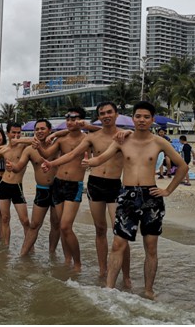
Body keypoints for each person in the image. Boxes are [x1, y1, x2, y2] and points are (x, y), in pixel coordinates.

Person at [82, 101, 188, 299]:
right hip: (128, 196)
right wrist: (89, 162)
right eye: (138, 116)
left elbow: (182, 166)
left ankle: (148, 291)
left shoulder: (159, 142)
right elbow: (102, 157)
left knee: (151, 246)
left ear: (152, 120)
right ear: (133, 119)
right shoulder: (122, 140)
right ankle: (109, 290)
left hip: (151, 197)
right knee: (117, 244)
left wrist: (168, 191)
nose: (142, 120)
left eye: (146, 117)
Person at [42, 102, 131, 285]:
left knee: (120, 233)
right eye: (102, 113)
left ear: (116, 114)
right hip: (95, 185)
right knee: (100, 229)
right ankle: (102, 270)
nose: (106, 115)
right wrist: (52, 163)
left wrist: (129, 132)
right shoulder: (92, 137)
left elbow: (143, 138)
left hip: (115, 185)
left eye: (109, 112)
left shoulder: (124, 136)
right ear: (98, 117)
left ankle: (127, 275)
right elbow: (72, 154)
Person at [34, 107, 87, 272]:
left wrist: (57, 133)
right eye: (68, 119)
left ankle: (77, 263)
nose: (71, 122)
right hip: (58, 184)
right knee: (62, 227)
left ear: (82, 120)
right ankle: (67, 259)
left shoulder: (87, 139)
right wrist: (38, 146)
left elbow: (102, 134)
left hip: (74, 186)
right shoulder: (62, 139)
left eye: (74, 118)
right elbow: (47, 152)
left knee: (65, 226)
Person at [7, 119, 61, 256]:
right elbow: (19, 166)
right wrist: (12, 167)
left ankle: (52, 254)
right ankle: (23, 255)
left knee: (56, 224)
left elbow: (70, 133)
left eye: (43, 129)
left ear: (49, 130)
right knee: (34, 225)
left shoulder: (57, 145)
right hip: (41, 190)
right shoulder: (30, 149)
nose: (39, 131)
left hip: (57, 189)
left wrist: (54, 136)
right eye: (37, 129)